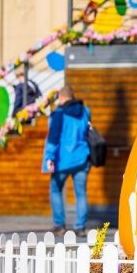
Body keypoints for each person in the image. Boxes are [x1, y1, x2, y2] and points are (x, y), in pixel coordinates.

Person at [43, 85, 92, 237]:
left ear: (61, 97)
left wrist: (50, 157)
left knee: (55, 190)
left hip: (62, 160)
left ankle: (59, 225)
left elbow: (53, 138)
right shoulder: (85, 111)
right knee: (81, 193)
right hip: (82, 158)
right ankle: (80, 227)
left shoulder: (59, 113)